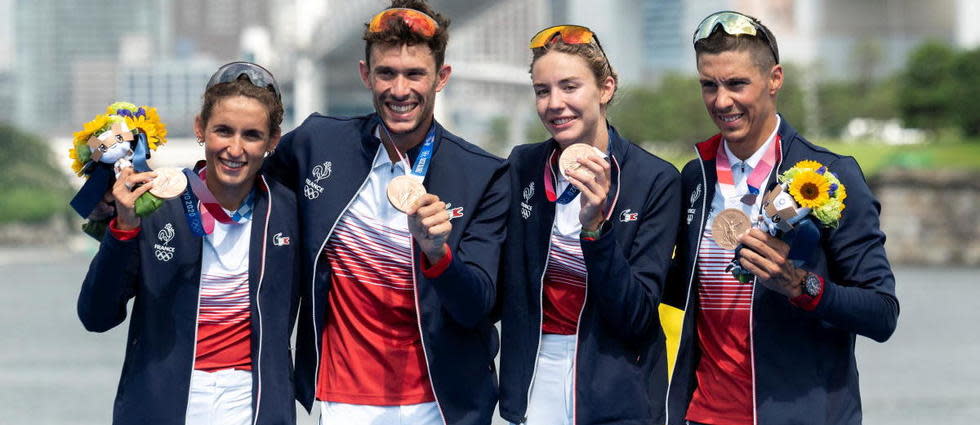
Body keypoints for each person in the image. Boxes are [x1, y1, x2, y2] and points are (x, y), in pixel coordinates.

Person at [262, 1, 507, 424]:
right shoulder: (317, 143)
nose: (399, 89)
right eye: (386, 73)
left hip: (443, 405)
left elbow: (477, 307)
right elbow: (243, 192)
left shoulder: (484, 174)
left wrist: (437, 253)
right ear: (365, 74)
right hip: (343, 403)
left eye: (415, 74)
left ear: (441, 78)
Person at [662, 11, 899, 425]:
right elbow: (670, 294)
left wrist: (798, 284)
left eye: (737, 84)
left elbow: (882, 314)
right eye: (709, 85)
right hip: (702, 416)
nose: (721, 101)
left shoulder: (829, 176)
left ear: (774, 79)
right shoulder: (693, 176)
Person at [77, 62, 299, 425]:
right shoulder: (155, 202)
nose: (235, 149)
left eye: (252, 135)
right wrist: (124, 227)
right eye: (223, 131)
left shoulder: (289, 210)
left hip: (256, 408)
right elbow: (96, 316)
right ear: (200, 128)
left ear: (273, 141)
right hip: (163, 407)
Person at [497, 25, 680, 425]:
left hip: (618, 394)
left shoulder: (654, 179)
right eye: (542, 90)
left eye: (569, 86)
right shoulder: (521, 166)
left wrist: (596, 230)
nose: (554, 103)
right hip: (532, 383)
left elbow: (636, 316)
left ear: (606, 88)